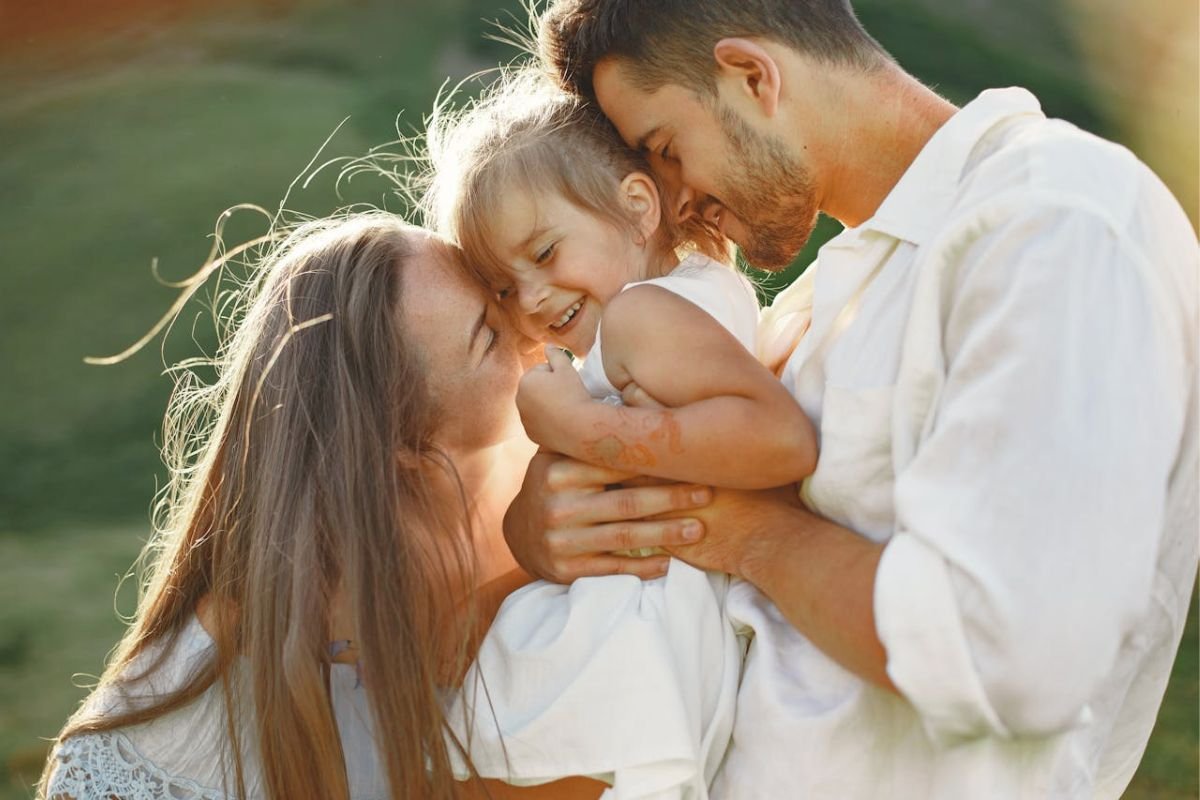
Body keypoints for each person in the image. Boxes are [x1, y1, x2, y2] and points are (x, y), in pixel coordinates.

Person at [498, 1, 1200, 798]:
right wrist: (549, 525)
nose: (675, 199)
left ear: (752, 76)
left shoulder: (1056, 218)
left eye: (666, 148)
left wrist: (746, 533)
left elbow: (1003, 650)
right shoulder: (822, 302)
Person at [38, 211, 639, 800]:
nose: (532, 330)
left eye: (502, 296)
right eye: (488, 334)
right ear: (401, 445)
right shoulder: (194, 716)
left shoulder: (587, 466)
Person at [423, 66, 815, 510]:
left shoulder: (640, 314)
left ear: (636, 208)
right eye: (504, 290)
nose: (529, 300)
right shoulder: (676, 302)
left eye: (545, 253)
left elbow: (782, 442)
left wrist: (577, 426)